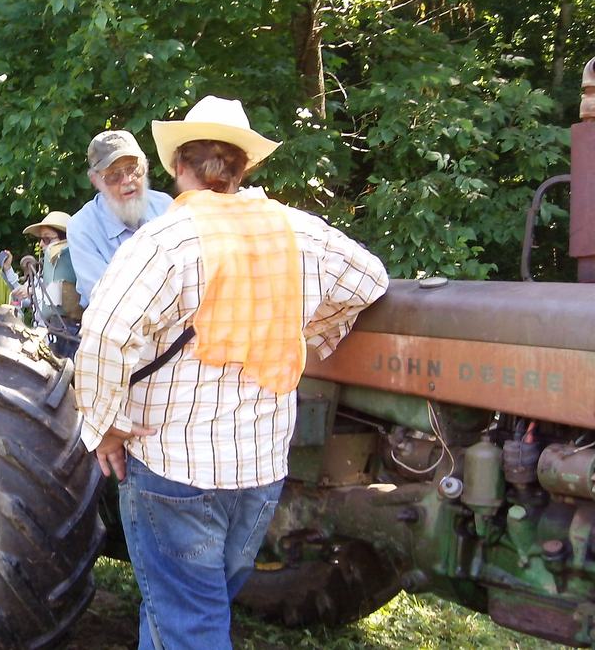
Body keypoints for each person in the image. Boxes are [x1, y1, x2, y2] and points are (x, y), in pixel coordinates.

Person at [74, 96, 389, 649]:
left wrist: (104, 424)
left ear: (176, 166)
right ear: (245, 165)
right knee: (196, 602)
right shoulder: (298, 232)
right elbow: (370, 280)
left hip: (175, 468)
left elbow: (103, 332)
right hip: (260, 470)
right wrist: (313, 333)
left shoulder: (164, 240)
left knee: (188, 618)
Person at [66, 130, 173, 307]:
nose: (127, 180)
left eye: (133, 168)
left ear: (145, 167)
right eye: (113, 175)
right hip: (115, 326)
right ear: (95, 181)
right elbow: (106, 299)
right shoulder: (81, 227)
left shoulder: (166, 206)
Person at [20, 210, 81, 357]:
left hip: (74, 333)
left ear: (66, 240)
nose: (41, 244)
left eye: (46, 239)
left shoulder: (79, 261)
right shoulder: (47, 267)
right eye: (41, 239)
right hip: (56, 330)